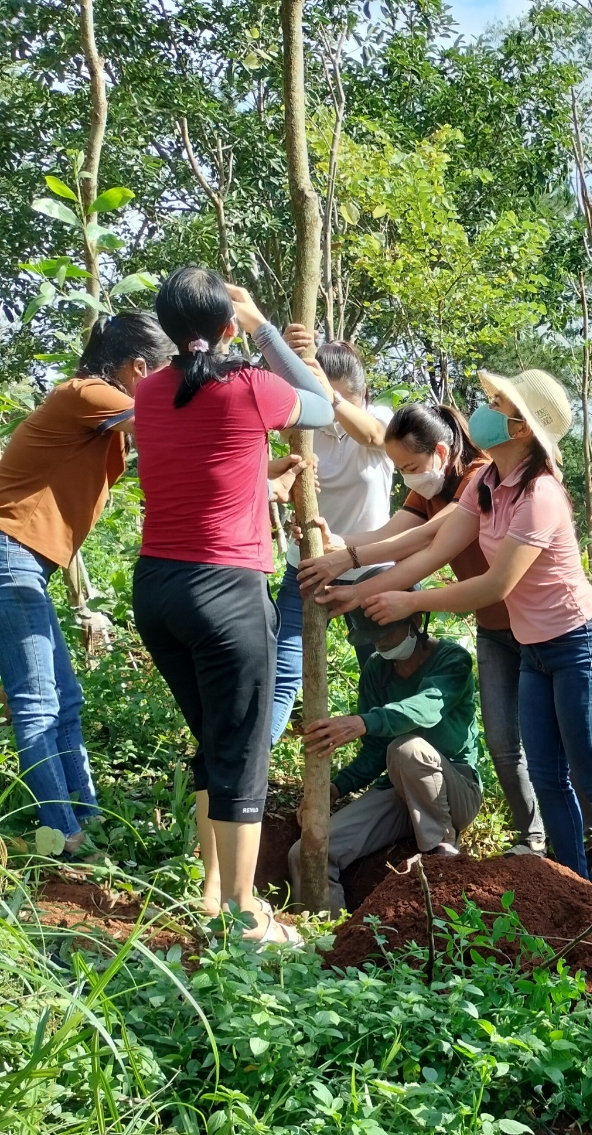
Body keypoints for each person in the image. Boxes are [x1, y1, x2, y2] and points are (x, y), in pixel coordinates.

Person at [319, 368, 592, 903]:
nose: (486, 407)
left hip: (579, 644)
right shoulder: (487, 482)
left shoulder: (541, 495)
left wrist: (412, 600)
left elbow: (495, 583)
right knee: (544, 770)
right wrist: (355, 586)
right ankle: (570, 883)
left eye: (499, 402)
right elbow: (432, 545)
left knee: (591, 773)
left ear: (520, 427)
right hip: (534, 649)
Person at [132, 266, 334, 944]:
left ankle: (213, 894)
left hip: (158, 589)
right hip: (225, 592)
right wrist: (263, 328)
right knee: (243, 751)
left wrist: (261, 484)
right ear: (224, 327)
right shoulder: (250, 386)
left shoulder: (146, 394)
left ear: (166, 329)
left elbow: (206, 467)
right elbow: (324, 405)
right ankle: (248, 918)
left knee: (213, 742)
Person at [0, 313, 174, 852]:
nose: (171, 384)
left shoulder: (107, 410)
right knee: (36, 704)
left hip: (25, 562)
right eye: (167, 373)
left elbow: (183, 455)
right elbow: (177, 425)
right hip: (8, 552)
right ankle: (65, 836)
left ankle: (87, 822)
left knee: (65, 702)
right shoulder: (88, 393)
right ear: (139, 367)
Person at [287, 602, 482, 913]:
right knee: (308, 853)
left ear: (416, 620)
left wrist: (363, 722)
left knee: (407, 748)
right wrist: (336, 787)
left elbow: (427, 708)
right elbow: (377, 751)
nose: (380, 643)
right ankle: (324, 942)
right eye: (373, 637)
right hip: (398, 790)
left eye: (387, 632)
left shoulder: (451, 659)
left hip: (455, 791)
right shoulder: (377, 671)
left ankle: (440, 850)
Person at [268, 332, 394, 744]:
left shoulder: (381, 420)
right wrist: (283, 348)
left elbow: (375, 438)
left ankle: (381, 770)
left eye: (335, 397)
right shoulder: (304, 428)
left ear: (359, 395)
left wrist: (333, 402)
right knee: (283, 672)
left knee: (381, 674)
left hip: (368, 568)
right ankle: (253, 772)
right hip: (306, 566)